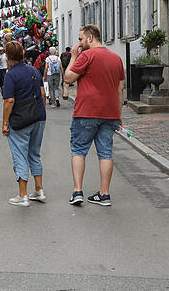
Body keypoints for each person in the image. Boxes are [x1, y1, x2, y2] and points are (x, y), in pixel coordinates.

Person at [64, 25, 125, 207]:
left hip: (86, 111)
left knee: (78, 150)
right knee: (105, 152)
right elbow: (120, 89)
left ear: (90, 38)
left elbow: (68, 78)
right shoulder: (116, 58)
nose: (79, 43)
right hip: (110, 112)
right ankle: (104, 194)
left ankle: (77, 191)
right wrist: (118, 114)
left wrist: (74, 56)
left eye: (81, 39)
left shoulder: (86, 56)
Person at [1, 41, 47, 207]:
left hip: (21, 119)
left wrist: (5, 123)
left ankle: (23, 195)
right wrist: (39, 112)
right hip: (39, 116)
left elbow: (9, 100)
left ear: (8, 56)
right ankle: (39, 190)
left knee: (20, 154)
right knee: (35, 153)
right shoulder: (34, 70)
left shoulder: (11, 75)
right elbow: (42, 93)